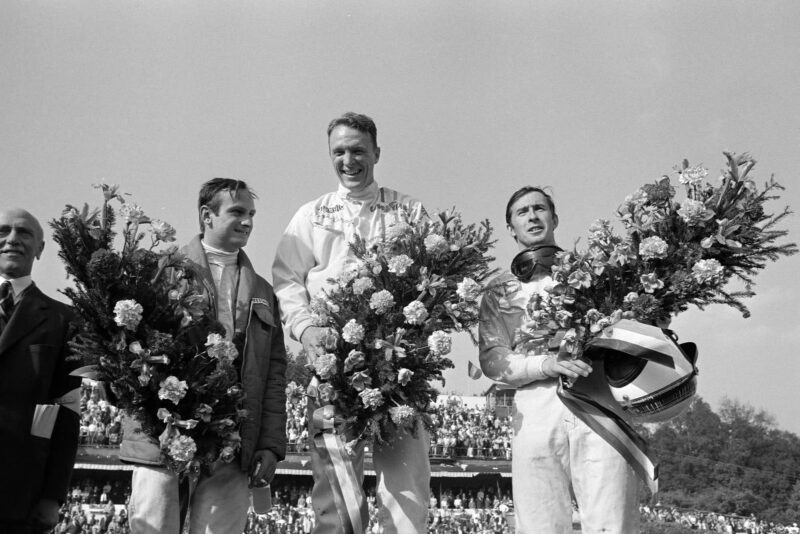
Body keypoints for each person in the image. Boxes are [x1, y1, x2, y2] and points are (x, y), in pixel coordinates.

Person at [273, 112, 429, 533]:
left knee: (406, 479)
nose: (349, 160)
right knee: (335, 481)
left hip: (399, 368)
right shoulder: (310, 214)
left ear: (377, 151)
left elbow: (434, 283)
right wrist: (306, 330)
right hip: (331, 367)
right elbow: (287, 279)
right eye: (339, 151)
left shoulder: (410, 211)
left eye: (358, 150)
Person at [121, 178, 288, 533]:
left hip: (234, 439)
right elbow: (131, 356)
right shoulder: (161, 273)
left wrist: (270, 445)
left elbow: (274, 374)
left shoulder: (262, 291)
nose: (247, 222)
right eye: (237, 212)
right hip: (162, 433)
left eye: (252, 214)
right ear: (206, 215)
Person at [478, 186, 639, 533]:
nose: (533, 216)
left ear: (555, 218)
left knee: (612, 520)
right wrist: (544, 365)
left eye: (540, 209)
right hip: (535, 411)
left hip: (597, 403)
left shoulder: (594, 273)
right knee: (540, 523)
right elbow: (493, 359)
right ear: (511, 228)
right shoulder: (498, 289)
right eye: (522, 212)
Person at [0, 208, 81, 533]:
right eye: (4, 231)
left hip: (20, 492)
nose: (12, 240)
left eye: (24, 233)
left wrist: (52, 496)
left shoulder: (63, 320)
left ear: (40, 248)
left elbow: (68, 412)